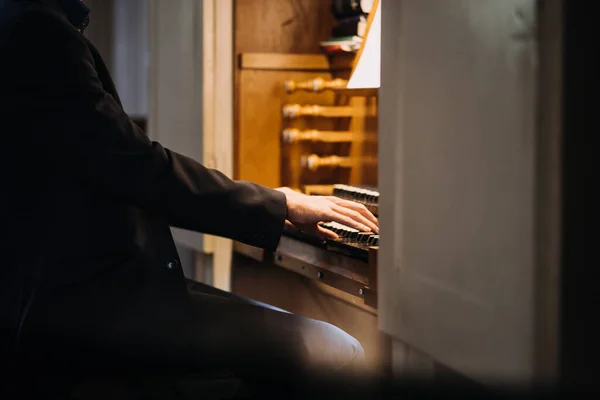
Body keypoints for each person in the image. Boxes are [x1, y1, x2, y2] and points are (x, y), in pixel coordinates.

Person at [0, 0, 379, 396]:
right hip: (87, 306)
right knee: (335, 350)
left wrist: (272, 204)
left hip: (81, 288)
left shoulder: (29, 21)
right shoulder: (38, 31)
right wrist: (278, 203)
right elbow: (138, 167)